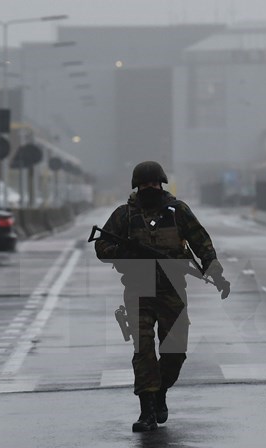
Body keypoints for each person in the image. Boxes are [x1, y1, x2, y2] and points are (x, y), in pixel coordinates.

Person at [94, 161, 230, 432]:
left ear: (162, 184)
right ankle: (147, 411)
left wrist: (216, 274)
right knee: (143, 350)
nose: (149, 189)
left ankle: (160, 392)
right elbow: (101, 246)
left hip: (172, 290)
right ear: (137, 186)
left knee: (175, 352)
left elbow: (202, 243)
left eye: (154, 184)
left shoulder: (178, 212)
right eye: (144, 185)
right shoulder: (125, 215)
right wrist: (128, 253)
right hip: (138, 290)